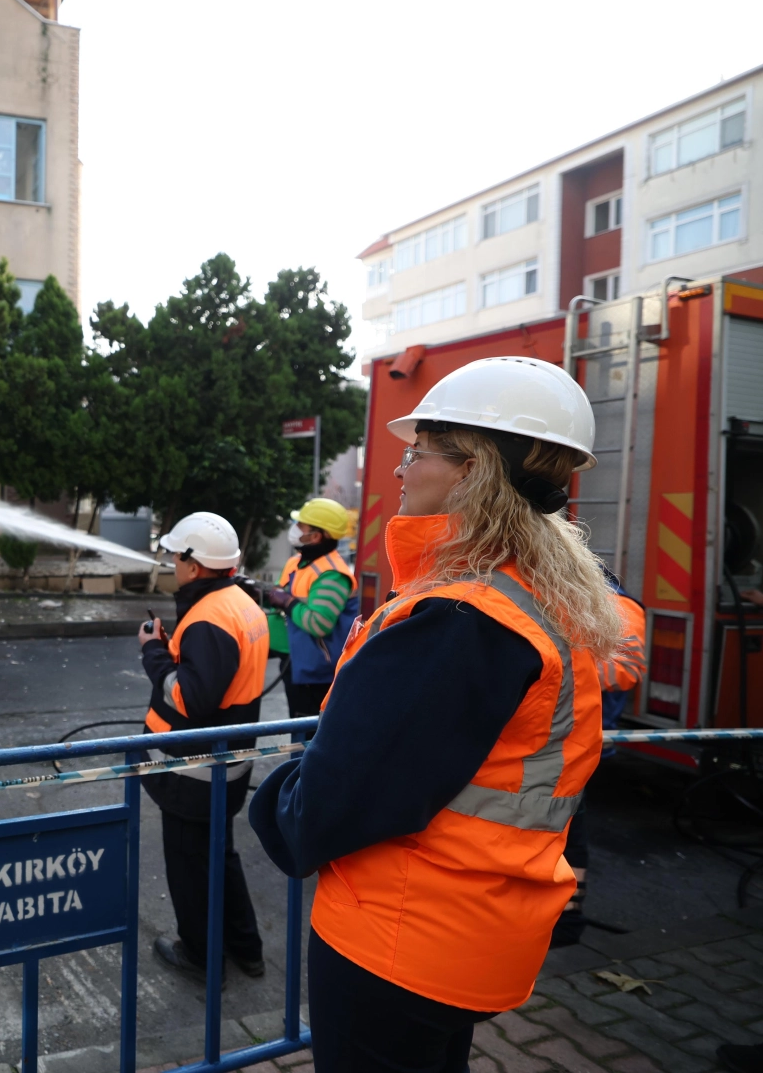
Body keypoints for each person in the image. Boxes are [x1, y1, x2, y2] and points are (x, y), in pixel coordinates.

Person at [248, 356, 618, 1071]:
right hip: (464, 933)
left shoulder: (457, 619)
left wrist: (282, 801)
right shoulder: (531, 596)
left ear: (472, 471)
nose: (399, 469)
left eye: (416, 451)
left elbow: (336, 801)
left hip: (397, 941)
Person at [138, 511, 270, 984]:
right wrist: (179, 651)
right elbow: (217, 674)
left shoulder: (209, 618)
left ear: (194, 565)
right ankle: (245, 947)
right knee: (220, 854)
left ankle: (200, 956)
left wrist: (153, 654)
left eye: (177, 555)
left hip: (190, 774)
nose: (173, 563)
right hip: (225, 766)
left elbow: (192, 699)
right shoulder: (239, 603)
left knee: (189, 865)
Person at [552, 568, 645, 946]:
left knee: (568, 828)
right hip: (567, 738)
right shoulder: (588, 601)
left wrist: (563, 662)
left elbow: (625, 670)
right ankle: (559, 917)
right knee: (561, 827)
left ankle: (567, 922)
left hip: (578, 739)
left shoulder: (617, 607)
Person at [262, 497, 360, 720]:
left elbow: (319, 623)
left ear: (316, 535)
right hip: (293, 661)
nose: (294, 529)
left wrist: (287, 602)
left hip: (314, 672)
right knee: (296, 726)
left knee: (305, 735)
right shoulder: (297, 562)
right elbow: (281, 597)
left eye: (300, 525)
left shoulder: (332, 575)